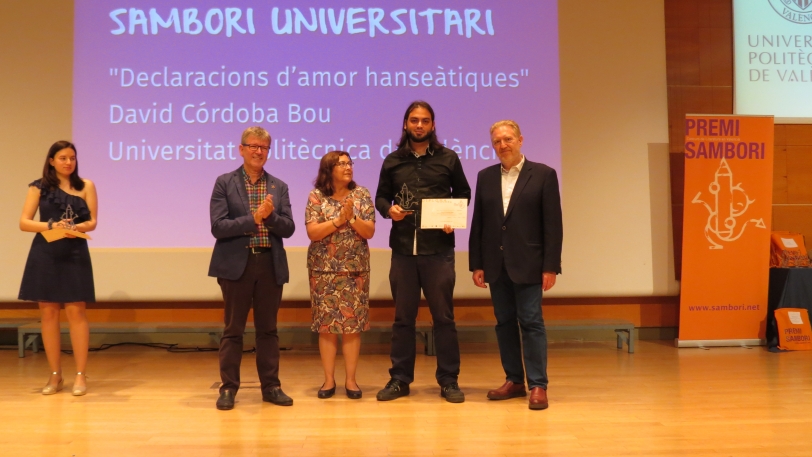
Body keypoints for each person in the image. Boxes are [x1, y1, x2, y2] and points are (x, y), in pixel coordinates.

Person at [374, 101, 471, 403]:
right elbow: (380, 197)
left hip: (438, 250)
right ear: (405, 124)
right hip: (403, 250)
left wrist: (451, 218)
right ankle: (399, 379)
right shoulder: (392, 161)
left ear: (432, 125)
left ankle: (449, 380)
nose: (419, 125)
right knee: (403, 319)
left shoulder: (448, 159)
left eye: (425, 121)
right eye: (414, 120)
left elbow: (464, 194)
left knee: (443, 318)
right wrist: (389, 210)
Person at [469, 120, 563, 410]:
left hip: (530, 264)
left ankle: (538, 385)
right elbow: (479, 223)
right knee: (504, 324)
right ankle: (514, 380)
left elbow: (553, 224)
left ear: (520, 140)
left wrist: (550, 266)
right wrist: (477, 263)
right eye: (497, 141)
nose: (502, 145)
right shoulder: (485, 176)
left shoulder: (544, 174)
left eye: (508, 139)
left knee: (532, 323)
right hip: (496, 265)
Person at [208, 126, 295, 410]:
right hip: (236, 266)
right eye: (253, 146)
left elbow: (290, 228)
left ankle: (271, 387)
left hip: (269, 264)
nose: (259, 152)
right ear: (241, 149)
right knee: (233, 330)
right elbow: (218, 227)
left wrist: (269, 219)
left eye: (264, 148)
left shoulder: (278, 186)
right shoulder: (225, 182)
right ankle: (228, 389)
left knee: (268, 330)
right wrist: (254, 218)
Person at [19, 141, 98, 396]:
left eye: (72, 157)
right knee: (49, 313)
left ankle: (80, 375)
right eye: (63, 157)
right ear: (51, 160)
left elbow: (93, 221)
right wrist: (52, 226)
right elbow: (24, 222)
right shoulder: (38, 187)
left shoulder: (86, 186)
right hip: (46, 253)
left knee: (76, 312)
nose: (68, 162)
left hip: (75, 253)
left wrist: (77, 228)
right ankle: (55, 375)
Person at [305, 151, 376, 400]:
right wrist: (338, 221)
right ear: (329, 169)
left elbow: (369, 232)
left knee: (352, 327)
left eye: (349, 163)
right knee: (327, 327)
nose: (348, 168)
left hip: (354, 269)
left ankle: (351, 381)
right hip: (323, 270)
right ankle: (328, 381)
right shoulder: (316, 196)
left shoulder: (362, 194)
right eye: (341, 164)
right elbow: (313, 232)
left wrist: (352, 217)